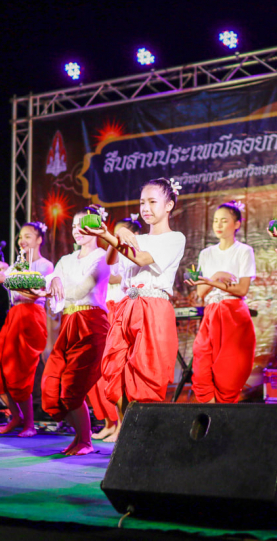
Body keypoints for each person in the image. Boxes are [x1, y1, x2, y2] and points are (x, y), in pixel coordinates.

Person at [81, 178, 186, 436]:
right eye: (142, 203)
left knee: (146, 373)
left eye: (152, 202)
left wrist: (109, 235)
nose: (146, 208)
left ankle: (143, 437)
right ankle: (129, 432)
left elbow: (141, 259)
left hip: (153, 307)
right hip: (126, 306)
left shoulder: (175, 238)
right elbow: (111, 262)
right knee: (114, 369)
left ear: (169, 205)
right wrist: (115, 237)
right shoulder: (135, 237)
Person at [37, 206, 111, 455]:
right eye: (73, 226)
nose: (77, 230)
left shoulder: (103, 257)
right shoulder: (65, 260)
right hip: (69, 323)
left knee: (72, 389)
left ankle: (85, 441)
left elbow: (81, 290)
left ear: (96, 227)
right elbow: (52, 287)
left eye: (83, 225)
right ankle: (80, 438)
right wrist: (53, 281)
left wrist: (52, 287)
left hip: (91, 323)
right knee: (51, 386)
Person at [0, 221, 54, 436]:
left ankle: (29, 424)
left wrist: (7, 276)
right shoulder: (15, 266)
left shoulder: (45, 265)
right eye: (20, 237)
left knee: (20, 372)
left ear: (39, 239)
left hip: (31, 316)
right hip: (13, 316)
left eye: (28, 236)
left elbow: (32, 290)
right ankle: (16, 416)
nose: (22, 241)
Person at [184, 200, 257, 403]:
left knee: (228, 371)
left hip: (233, 313)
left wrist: (212, 282)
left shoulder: (244, 251)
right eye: (216, 220)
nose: (218, 225)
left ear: (237, 224)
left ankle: (223, 414)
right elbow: (201, 292)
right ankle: (210, 411)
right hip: (211, 312)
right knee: (202, 363)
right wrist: (216, 276)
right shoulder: (206, 254)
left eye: (224, 221)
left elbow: (241, 289)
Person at [90, 214, 141, 442]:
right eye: (114, 232)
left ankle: (122, 424)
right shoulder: (111, 253)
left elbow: (112, 278)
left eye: (120, 232)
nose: (115, 236)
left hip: (121, 310)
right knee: (104, 372)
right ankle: (110, 422)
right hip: (107, 310)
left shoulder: (133, 255)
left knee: (119, 371)